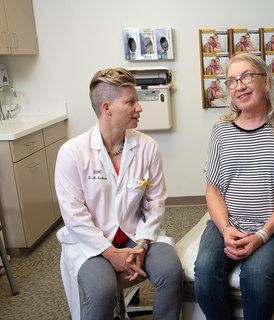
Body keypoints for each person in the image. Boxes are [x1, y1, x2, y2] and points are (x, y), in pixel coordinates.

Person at [55, 68, 183, 320]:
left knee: (171, 273)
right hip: (90, 241)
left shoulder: (147, 147)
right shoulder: (73, 153)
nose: (139, 108)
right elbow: (74, 215)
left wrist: (143, 244)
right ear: (107, 107)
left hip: (136, 235)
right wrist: (110, 253)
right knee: (101, 291)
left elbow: (155, 202)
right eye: (131, 102)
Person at [194, 53, 274, 320]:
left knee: (255, 276)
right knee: (206, 270)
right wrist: (225, 229)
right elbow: (213, 190)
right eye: (231, 81)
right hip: (228, 221)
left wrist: (262, 236)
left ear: (266, 82)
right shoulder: (220, 131)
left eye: (247, 76)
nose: (239, 86)